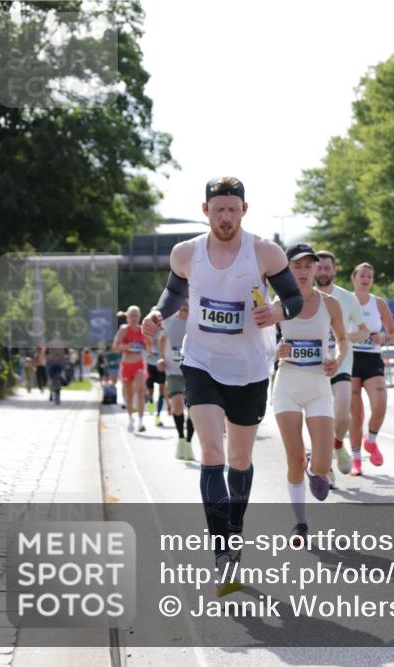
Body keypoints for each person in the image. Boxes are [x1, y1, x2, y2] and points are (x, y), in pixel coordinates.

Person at [141, 176, 305, 593]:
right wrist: (157, 315)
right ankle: (221, 550)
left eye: (233, 209)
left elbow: (294, 299)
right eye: (219, 210)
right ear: (206, 211)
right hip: (201, 361)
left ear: (244, 210)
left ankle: (235, 527)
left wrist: (277, 311)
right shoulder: (186, 253)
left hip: (251, 366)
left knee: (240, 458)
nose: (226, 216)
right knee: (212, 450)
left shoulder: (265, 252)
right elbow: (172, 295)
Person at [271, 243, 349, 544]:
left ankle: (316, 467)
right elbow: (261, 344)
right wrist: (275, 350)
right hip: (287, 386)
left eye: (308, 266)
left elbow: (343, 340)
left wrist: (337, 360)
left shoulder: (330, 304)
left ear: (316, 269)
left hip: (318, 387)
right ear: (287, 269)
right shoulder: (277, 304)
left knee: (320, 467)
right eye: (296, 266)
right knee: (293, 460)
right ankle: (300, 525)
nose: (302, 271)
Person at [314, 250, 370, 478]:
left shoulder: (347, 298)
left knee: (343, 416)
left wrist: (346, 337)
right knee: (322, 419)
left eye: (328, 268)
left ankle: (338, 444)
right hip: (313, 367)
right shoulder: (305, 296)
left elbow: (364, 329)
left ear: (334, 270)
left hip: (342, 364)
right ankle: (325, 466)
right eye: (319, 268)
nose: (323, 272)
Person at [348, 262, 394, 476]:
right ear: (354, 278)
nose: (366, 279)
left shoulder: (378, 303)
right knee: (355, 413)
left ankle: (371, 440)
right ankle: (356, 460)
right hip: (349, 358)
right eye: (362, 275)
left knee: (380, 404)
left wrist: (384, 337)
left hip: (372, 358)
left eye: (370, 276)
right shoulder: (344, 301)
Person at [160, 301, 193, 461]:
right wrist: (160, 358)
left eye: (187, 300)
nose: (184, 303)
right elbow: (162, 340)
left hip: (194, 370)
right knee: (178, 404)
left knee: (193, 410)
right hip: (173, 369)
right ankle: (180, 437)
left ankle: (188, 441)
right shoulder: (168, 321)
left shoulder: (195, 320)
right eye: (182, 300)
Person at [112, 306, 149, 432]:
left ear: (139, 317)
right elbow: (115, 347)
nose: (134, 318)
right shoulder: (124, 330)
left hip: (139, 364)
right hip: (127, 365)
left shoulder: (142, 330)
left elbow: (148, 346)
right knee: (129, 395)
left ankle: (140, 422)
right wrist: (125, 346)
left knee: (140, 391)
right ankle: (130, 419)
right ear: (127, 316)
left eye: (136, 315)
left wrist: (147, 348)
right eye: (131, 315)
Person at [145, 329, 166, 427]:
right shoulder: (146, 331)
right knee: (151, 392)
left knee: (162, 389)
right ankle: (150, 405)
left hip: (161, 365)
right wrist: (146, 351)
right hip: (150, 365)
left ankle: (158, 415)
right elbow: (140, 347)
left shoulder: (164, 331)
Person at [45, 331, 67, 406]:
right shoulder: (63, 343)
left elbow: (46, 353)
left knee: (50, 378)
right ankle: (61, 382)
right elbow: (67, 353)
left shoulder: (49, 344)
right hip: (60, 363)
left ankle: (51, 393)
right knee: (60, 376)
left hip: (51, 363)